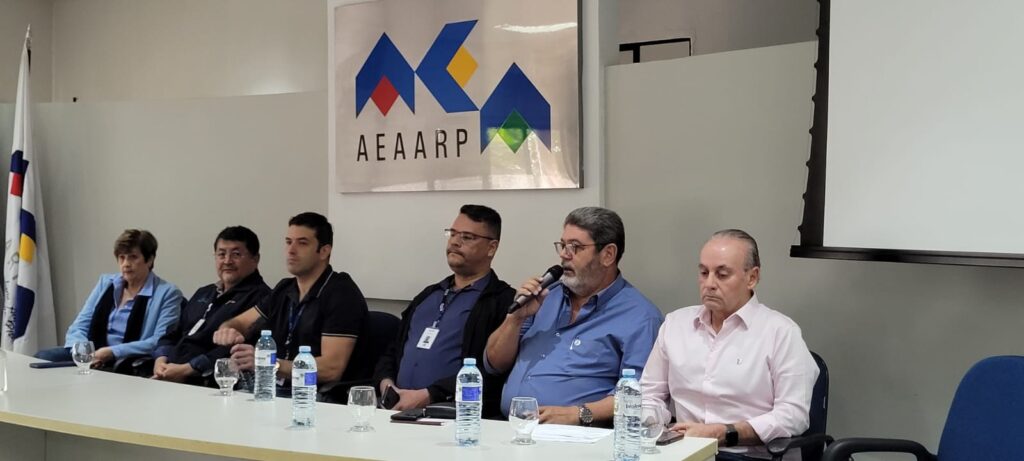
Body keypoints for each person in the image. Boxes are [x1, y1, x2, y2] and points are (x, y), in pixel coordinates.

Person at [641, 229, 818, 460]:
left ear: (752, 277)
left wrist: (723, 433)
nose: (709, 284)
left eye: (722, 275)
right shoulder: (676, 324)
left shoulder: (781, 332)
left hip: (750, 456)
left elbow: (793, 415)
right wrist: (649, 420)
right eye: (703, 273)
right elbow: (650, 394)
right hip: (685, 453)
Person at [484, 206, 663, 426]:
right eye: (563, 245)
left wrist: (578, 414)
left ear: (608, 254)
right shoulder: (545, 297)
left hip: (577, 434)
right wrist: (515, 319)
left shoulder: (640, 316)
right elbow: (494, 364)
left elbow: (639, 394)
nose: (564, 254)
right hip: (509, 426)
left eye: (575, 247)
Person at [373, 205, 515, 418]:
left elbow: (493, 372)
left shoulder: (503, 301)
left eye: (467, 237)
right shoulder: (429, 295)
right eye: (453, 233)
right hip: (394, 410)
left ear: (491, 248)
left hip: (452, 415)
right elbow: (393, 351)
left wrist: (429, 394)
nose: (455, 242)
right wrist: (386, 384)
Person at [212, 212, 371, 388]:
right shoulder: (284, 288)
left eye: (302, 243)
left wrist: (270, 364)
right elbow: (241, 322)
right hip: (274, 388)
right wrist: (228, 330)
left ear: (324, 251)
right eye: (288, 242)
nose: (291, 251)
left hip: (315, 395)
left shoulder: (341, 293)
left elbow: (331, 368)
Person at [36, 229, 182, 370]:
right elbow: (79, 326)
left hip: (127, 360)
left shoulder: (168, 293)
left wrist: (112, 352)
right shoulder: (106, 283)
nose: (126, 264)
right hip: (91, 354)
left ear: (149, 260)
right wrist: (84, 353)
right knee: (40, 358)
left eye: (133, 257)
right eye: (122, 257)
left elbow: (159, 341)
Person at [150, 226, 271, 384]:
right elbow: (173, 332)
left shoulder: (263, 299)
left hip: (205, 381)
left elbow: (236, 350)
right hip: (167, 372)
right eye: (221, 254)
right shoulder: (204, 292)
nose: (227, 261)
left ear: (255, 259)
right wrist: (160, 362)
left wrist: (187, 369)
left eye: (236, 254)